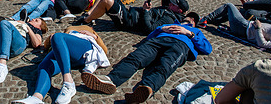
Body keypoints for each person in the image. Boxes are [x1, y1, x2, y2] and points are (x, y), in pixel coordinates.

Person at [82, 12, 212, 103]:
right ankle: (110, 80)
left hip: (180, 46)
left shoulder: (196, 31)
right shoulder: (170, 24)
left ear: (194, 23)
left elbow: (207, 49)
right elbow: (150, 36)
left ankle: (146, 89)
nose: (188, 19)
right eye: (188, 17)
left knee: (163, 67)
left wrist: (189, 33)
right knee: (135, 58)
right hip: (158, 41)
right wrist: (163, 29)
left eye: (191, 19)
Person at [12, 25, 110, 104]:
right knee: (43, 66)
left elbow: (104, 49)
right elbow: (46, 46)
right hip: (64, 55)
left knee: (57, 37)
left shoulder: (89, 30)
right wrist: (50, 39)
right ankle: (37, 97)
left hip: (82, 48)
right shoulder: (67, 31)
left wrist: (94, 36)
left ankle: (68, 83)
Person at [0, 17, 47, 84]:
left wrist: (27, 26)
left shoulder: (36, 30)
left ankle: (2, 64)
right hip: (0, 42)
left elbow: (37, 43)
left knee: (4, 23)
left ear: (39, 27)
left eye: (36, 21)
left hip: (17, 43)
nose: (33, 19)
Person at [198, 3, 271, 49]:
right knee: (231, 13)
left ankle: (204, 20)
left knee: (229, 5)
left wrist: (258, 28)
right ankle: (211, 20)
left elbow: (263, 44)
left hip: (243, 27)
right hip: (245, 26)